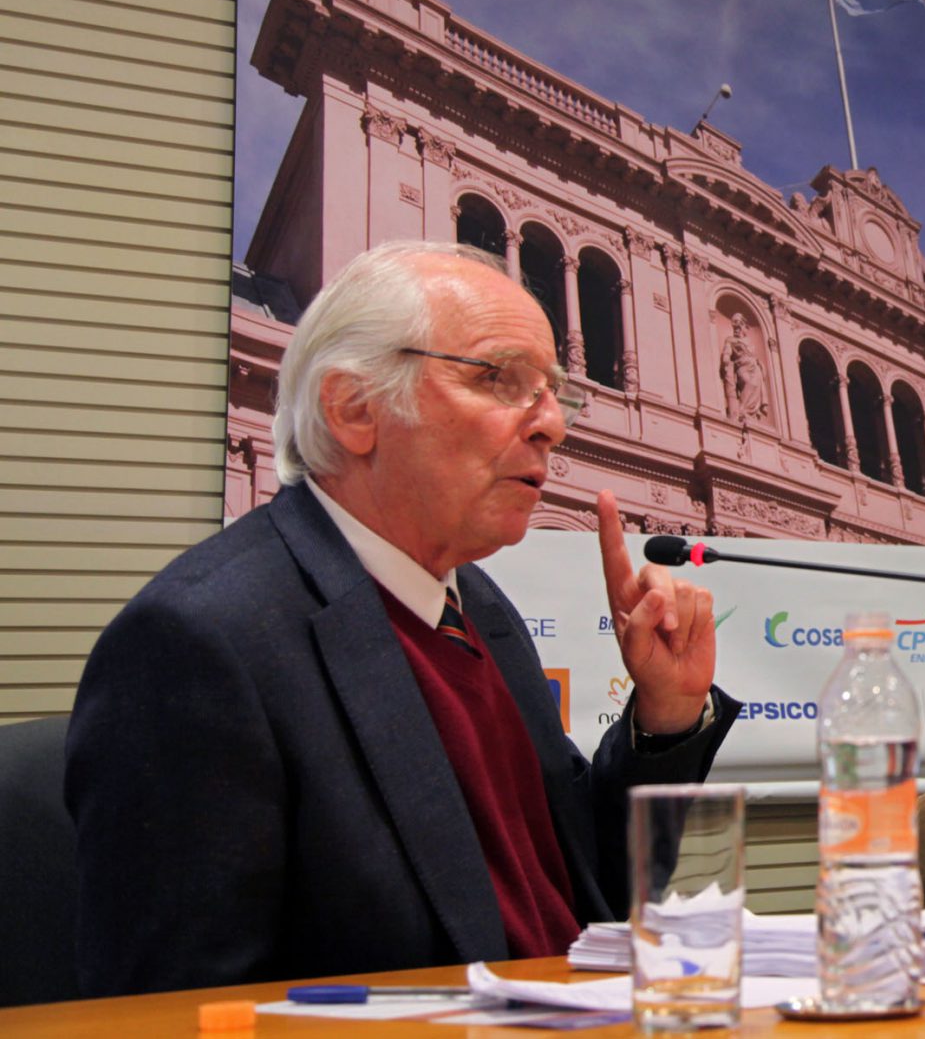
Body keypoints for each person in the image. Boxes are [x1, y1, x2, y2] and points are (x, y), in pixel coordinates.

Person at [66, 241, 738, 996]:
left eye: (554, 393)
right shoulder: (199, 642)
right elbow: (177, 1013)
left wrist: (667, 715)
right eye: (500, 378)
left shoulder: (478, 606)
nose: (552, 423)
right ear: (354, 409)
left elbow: (579, 886)